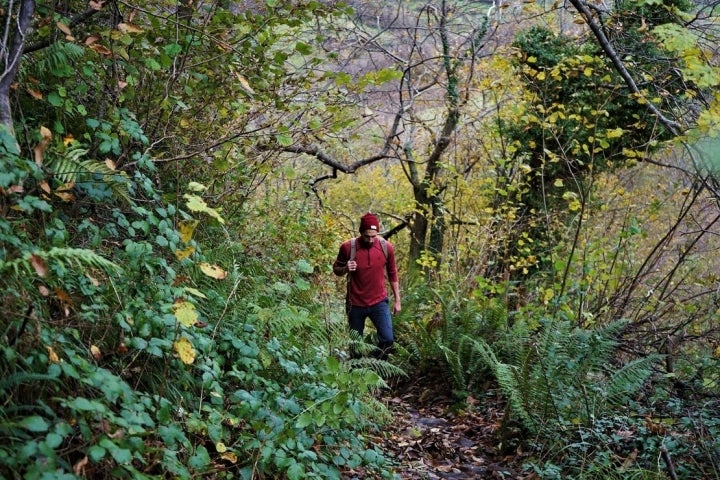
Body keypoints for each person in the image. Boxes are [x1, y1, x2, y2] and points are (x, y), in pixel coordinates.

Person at [333, 212, 401, 360]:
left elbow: (392, 273)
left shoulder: (386, 247)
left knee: (388, 339)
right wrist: (345, 268)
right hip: (355, 303)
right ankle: (357, 375)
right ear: (361, 232)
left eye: (373, 236)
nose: (370, 240)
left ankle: (375, 368)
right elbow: (336, 269)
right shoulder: (347, 247)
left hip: (379, 302)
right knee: (356, 345)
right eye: (367, 236)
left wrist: (397, 300)